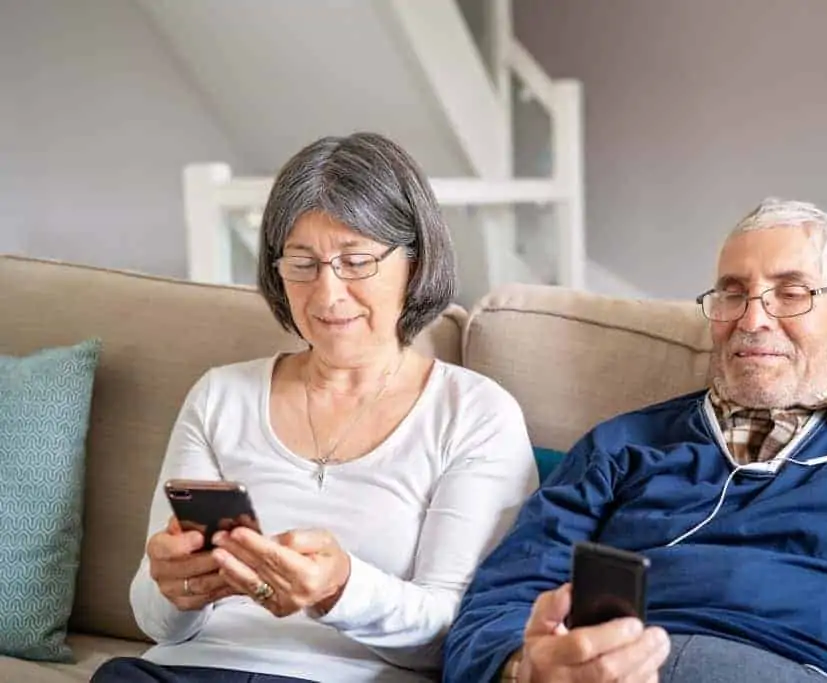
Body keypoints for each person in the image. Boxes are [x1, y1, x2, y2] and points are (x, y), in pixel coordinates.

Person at [443, 198, 827, 683]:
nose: (752, 319)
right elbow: (494, 606)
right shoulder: (622, 446)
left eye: (791, 293)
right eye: (732, 293)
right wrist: (524, 667)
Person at [92, 133, 538, 683]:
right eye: (302, 263)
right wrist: (174, 587)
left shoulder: (475, 414)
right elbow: (159, 625)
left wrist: (340, 590)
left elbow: (456, 638)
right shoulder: (220, 395)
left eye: (356, 261)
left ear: (414, 264)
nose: (327, 294)